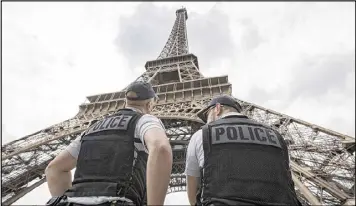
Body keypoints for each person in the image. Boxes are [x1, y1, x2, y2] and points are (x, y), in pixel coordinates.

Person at [45, 81, 173, 206]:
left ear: (125, 101)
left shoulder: (93, 128)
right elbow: (160, 147)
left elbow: (54, 169)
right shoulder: (144, 120)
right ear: (150, 104)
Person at [185, 95, 301, 206]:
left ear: (217, 108)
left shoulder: (202, 134)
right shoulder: (276, 135)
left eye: (207, 115)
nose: (206, 121)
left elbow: (192, 194)